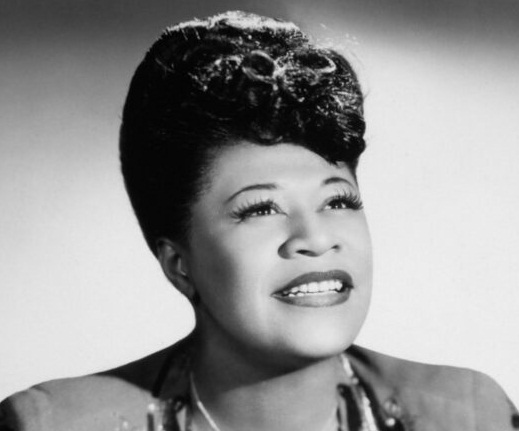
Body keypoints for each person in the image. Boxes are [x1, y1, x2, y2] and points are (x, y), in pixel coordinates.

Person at [0, 10, 517, 431]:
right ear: (179, 264)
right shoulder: (53, 424)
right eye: (260, 209)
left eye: (338, 201)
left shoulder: (467, 416)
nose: (316, 238)